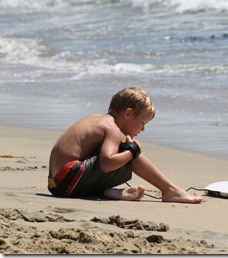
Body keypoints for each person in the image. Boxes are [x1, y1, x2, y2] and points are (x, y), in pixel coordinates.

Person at [48, 87, 202, 204]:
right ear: (128, 113)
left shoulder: (97, 119)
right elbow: (107, 164)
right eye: (142, 123)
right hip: (69, 180)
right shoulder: (112, 129)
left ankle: (109, 192)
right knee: (126, 150)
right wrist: (133, 150)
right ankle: (170, 190)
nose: (142, 129)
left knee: (119, 150)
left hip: (55, 184)